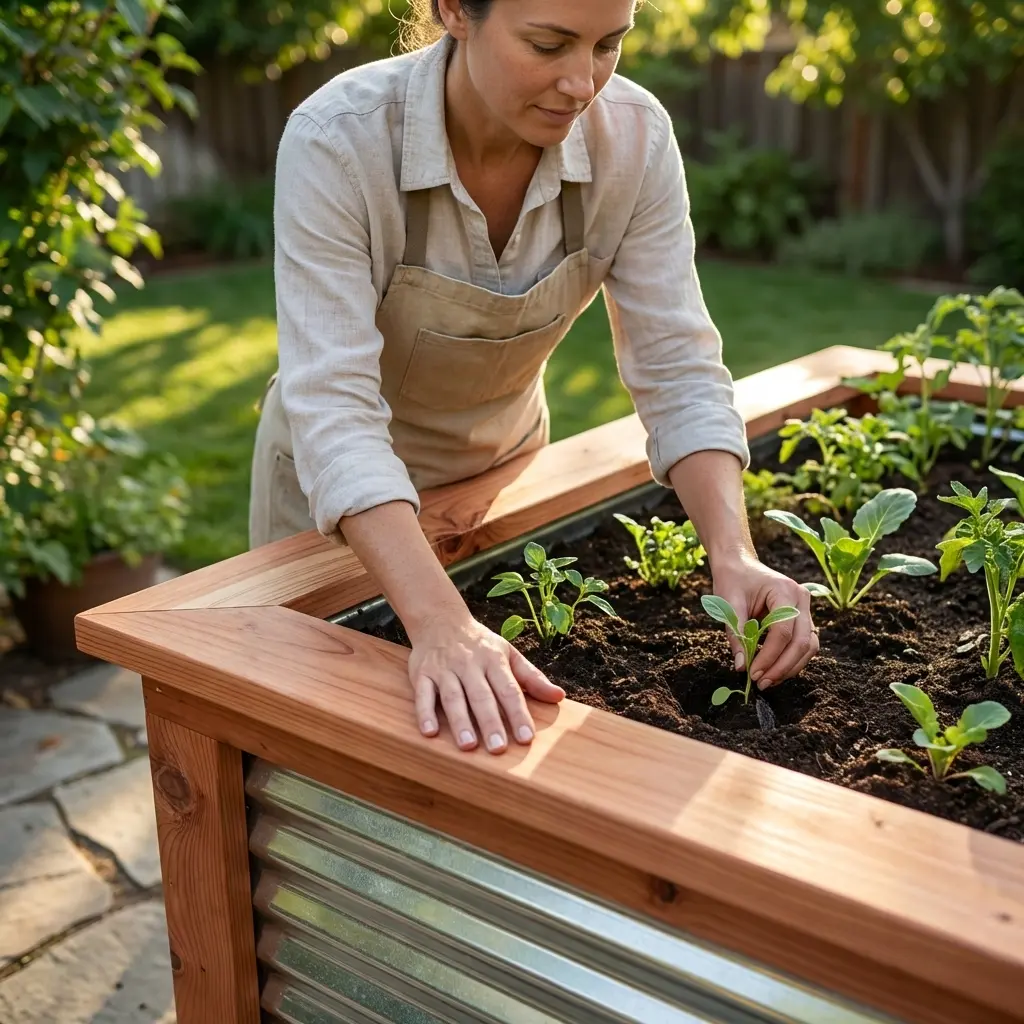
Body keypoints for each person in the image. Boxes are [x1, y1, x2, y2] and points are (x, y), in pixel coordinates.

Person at [249, 0, 819, 756]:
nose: (583, 83)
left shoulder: (636, 139)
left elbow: (677, 368)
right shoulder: (340, 140)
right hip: (333, 507)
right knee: (320, 759)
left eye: (610, 44)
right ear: (454, 10)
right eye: (549, 44)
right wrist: (442, 623)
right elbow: (335, 409)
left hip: (503, 483)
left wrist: (733, 552)